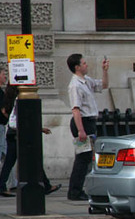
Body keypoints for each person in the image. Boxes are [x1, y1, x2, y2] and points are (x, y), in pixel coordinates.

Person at [0, 85, 61, 197]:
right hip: (18, 134)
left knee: (10, 161)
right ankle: (46, 185)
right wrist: (38, 129)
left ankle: (1, 186)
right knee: (33, 159)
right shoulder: (20, 99)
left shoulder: (14, 98)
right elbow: (20, 120)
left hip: (13, 133)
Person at [67, 54, 109, 200]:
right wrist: (80, 130)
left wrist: (105, 70)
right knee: (82, 158)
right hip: (82, 122)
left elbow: (103, 85)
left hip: (89, 122)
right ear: (77, 67)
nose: (87, 65)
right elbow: (76, 109)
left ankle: (77, 190)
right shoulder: (75, 85)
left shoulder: (86, 81)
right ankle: (75, 191)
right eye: (84, 63)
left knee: (85, 158)